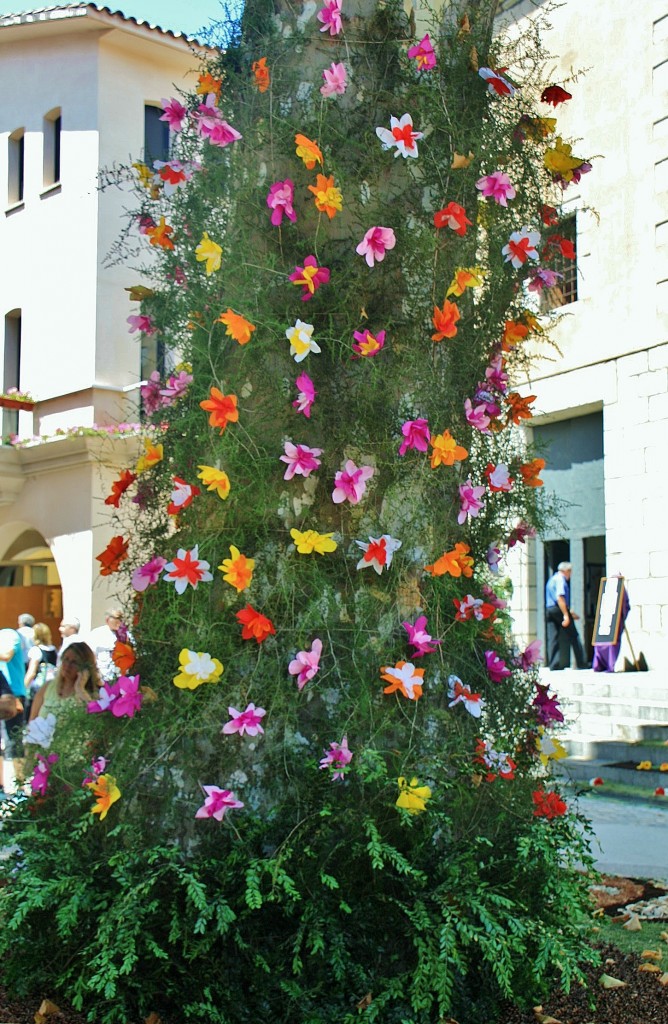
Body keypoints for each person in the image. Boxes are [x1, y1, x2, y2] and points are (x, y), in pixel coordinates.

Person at [29, 641, 99, 723]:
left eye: (74, 662)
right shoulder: (47, 687)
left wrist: (80, 689)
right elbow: (32, 721)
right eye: (66, 659)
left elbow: (94, 721)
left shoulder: (90, 694)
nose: (68, 665)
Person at [545, 561, 588, 670]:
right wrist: (566, 615)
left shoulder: (552, 579)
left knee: (553, 637)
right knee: (574, 636)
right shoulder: (560, 580)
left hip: (550, 609)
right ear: (566, 571)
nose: (570, 575)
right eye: (570, 571)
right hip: (558, 609)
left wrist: (571, 613)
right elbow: (560, 598)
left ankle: (554, 664)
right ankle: (581, 663)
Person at [0, 625, 27, 793]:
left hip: (13, 694)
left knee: (14, 739)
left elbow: (7, 656)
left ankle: (20, 785)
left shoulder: (10, 634)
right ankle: (1, 785)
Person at [24, 622, 58, 719]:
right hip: (50, 686)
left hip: (37, 687)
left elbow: (32, 672)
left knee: (32, 714)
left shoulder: (35, 651)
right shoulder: (53, 650)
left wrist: (24, 687)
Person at [86, 608, 124, 684]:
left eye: (121, 618)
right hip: (102, 677)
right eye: (117, 618)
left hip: (120, 678)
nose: (120, 621)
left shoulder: (125, 634)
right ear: (107, 620)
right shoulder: (97, 634)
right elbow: (90, 654)